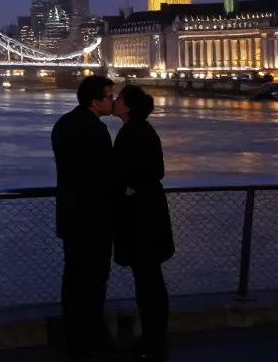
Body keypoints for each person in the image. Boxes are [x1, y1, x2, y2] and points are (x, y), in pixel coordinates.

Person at [51, 75, 116, 358]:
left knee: (73, 276)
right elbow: (105, 174)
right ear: (95, 101)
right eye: (109, 95)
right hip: (95, 217)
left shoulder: (62, 124)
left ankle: (73, 334)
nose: (112, 100)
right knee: (95, 278)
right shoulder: (96, 130)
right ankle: (92, 336)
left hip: (69, 213)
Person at [112, 84, 174, 361]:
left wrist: (129, 187)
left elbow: (148, 170)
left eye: (118, 98)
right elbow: (156, 169)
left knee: (147, 282)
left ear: (127, 107)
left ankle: (152, 340)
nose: (114, 101)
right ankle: (153, 337)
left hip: (141, 218)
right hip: (150, 214)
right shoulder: (142, 129)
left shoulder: (132, 133)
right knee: (151, 280)